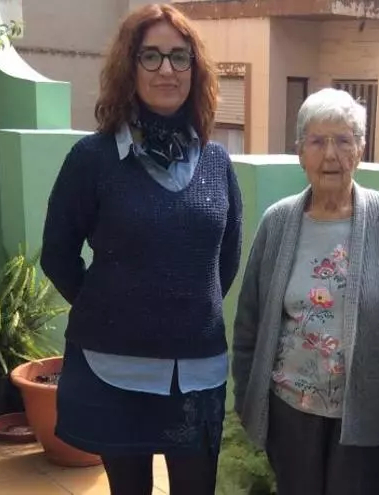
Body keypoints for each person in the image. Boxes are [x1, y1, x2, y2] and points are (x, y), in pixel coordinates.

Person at [40, 4, 242, 494]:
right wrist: (111, 309)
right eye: (151, 56)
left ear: (194, 69)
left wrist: (183, 310)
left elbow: (226, 257)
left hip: (197, 373)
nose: (166, 69)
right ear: (128, 67)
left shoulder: (216, 162)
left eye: (179, 56)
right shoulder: (92, 159)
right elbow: (57, 254)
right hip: (115, 371)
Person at [232, 88, 379, 495]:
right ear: (300, 152)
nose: (331, 155)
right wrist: (246, 389)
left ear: (361, 149)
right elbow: (250, 318)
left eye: (343, 140)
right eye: (318, 141)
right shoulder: (277, 222)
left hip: (364, 407)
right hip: (289, 405)